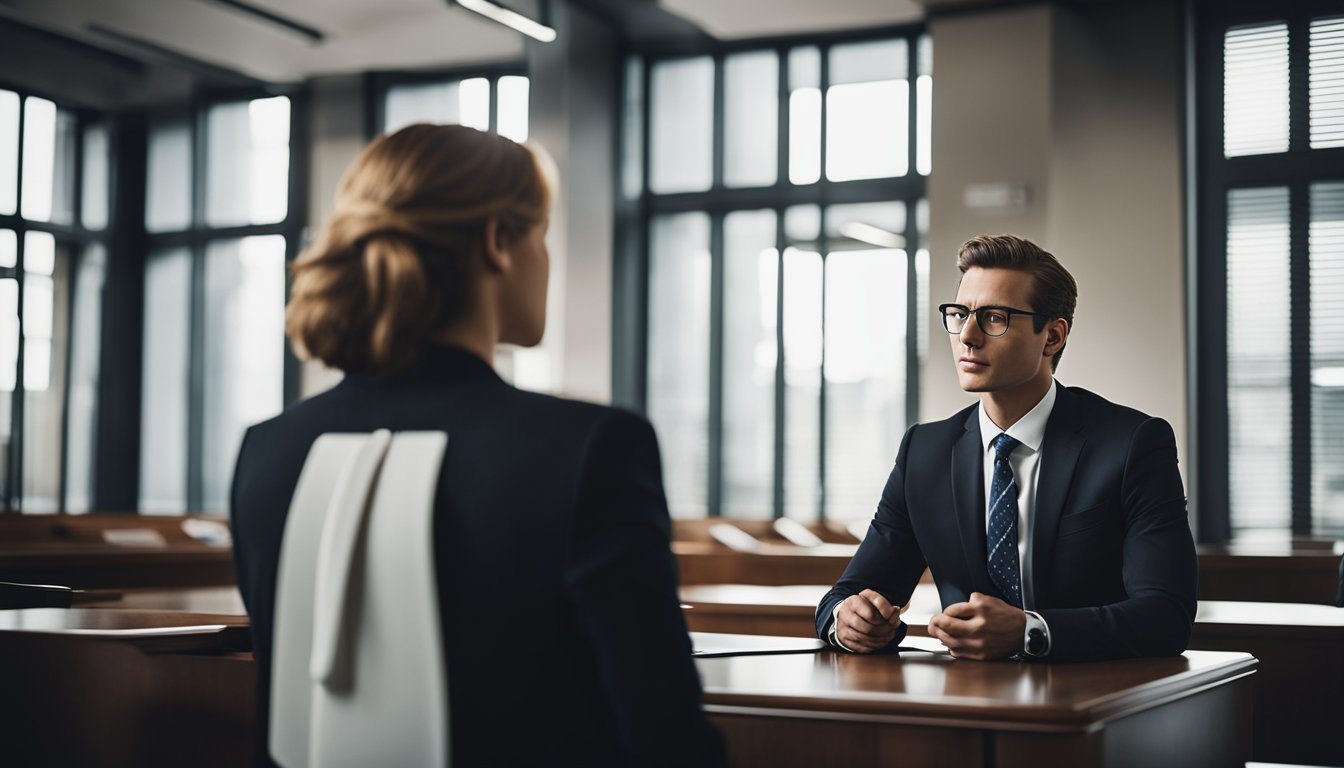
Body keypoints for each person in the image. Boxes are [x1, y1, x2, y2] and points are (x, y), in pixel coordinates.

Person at [231, 124, 725, 766]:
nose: (547, 258)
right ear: (497, 242)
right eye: (541, 234)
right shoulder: (593, 447)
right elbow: (665, 738)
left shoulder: (268, 451)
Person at [816, 234, 1197, 662]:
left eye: (995, 317)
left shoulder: (1132, 445)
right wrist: (847, 622)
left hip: (1091, 700)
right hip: (966, 700)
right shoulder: (924, 451)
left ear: (1052, 336)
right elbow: (848, 595)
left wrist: (1031, 632)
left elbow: (1166, 617)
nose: (969, 336)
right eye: (960, 314)